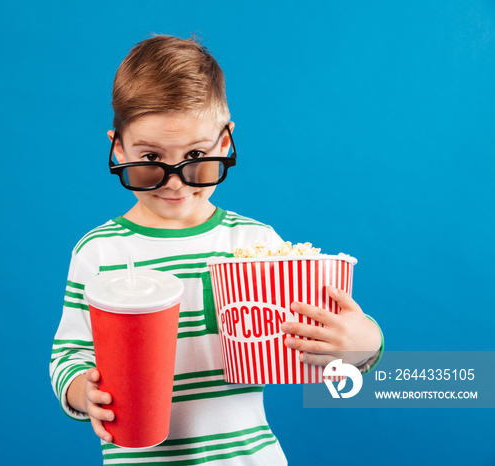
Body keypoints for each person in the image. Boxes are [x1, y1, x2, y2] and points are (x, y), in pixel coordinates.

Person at [50, 34, 383, 465]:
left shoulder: (256, 245)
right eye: (150, 157)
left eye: (195, 155)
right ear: (117, 147)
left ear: (225, 143)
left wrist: (363, 345)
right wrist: (83, 391)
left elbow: (317, 350)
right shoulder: (98, 252)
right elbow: (69, 354)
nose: (175, 181)